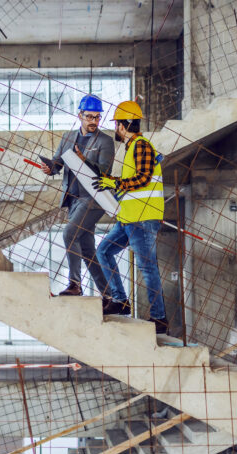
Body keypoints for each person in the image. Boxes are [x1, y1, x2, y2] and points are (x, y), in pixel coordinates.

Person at [92, 100, 169, 334]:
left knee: (148, 268)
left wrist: (114, 182)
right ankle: (121, 301)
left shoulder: (141, 145)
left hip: (143, 219)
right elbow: (131, 184)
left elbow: (143, 178)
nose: (116, 128)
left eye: (117, 124)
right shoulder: (131, 149)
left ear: (125, 124)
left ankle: (160, 319)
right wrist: (113, 187)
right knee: (104, 251)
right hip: (129, 219)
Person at [43, 94, 115, 298]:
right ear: (80, 115)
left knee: (69, 234)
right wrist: (51, 169)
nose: (93, 121)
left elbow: (104, 172)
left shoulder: (105, 141)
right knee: (87, 250)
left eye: (97, 117)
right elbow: (58, 162)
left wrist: (84, 160)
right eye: (89, 117)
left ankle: (75, 284)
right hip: (73, 199)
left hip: (92, 199)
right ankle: (111, 295)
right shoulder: (67, 137)